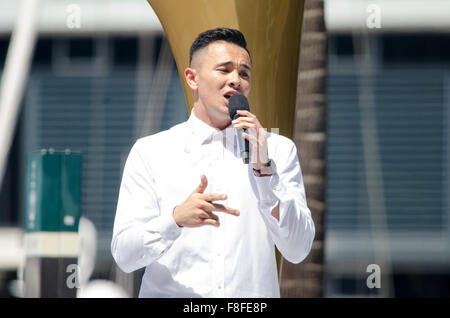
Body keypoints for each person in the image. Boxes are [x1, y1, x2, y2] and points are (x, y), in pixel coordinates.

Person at [111, 27, 315, 298]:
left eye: (244, 73)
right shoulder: (151, 151)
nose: (236, 80)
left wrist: (265, 172)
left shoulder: (277, 148)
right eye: (224, 69)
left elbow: (298, 249)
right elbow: (125, 255)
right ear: (192, 78)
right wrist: (175, 220)